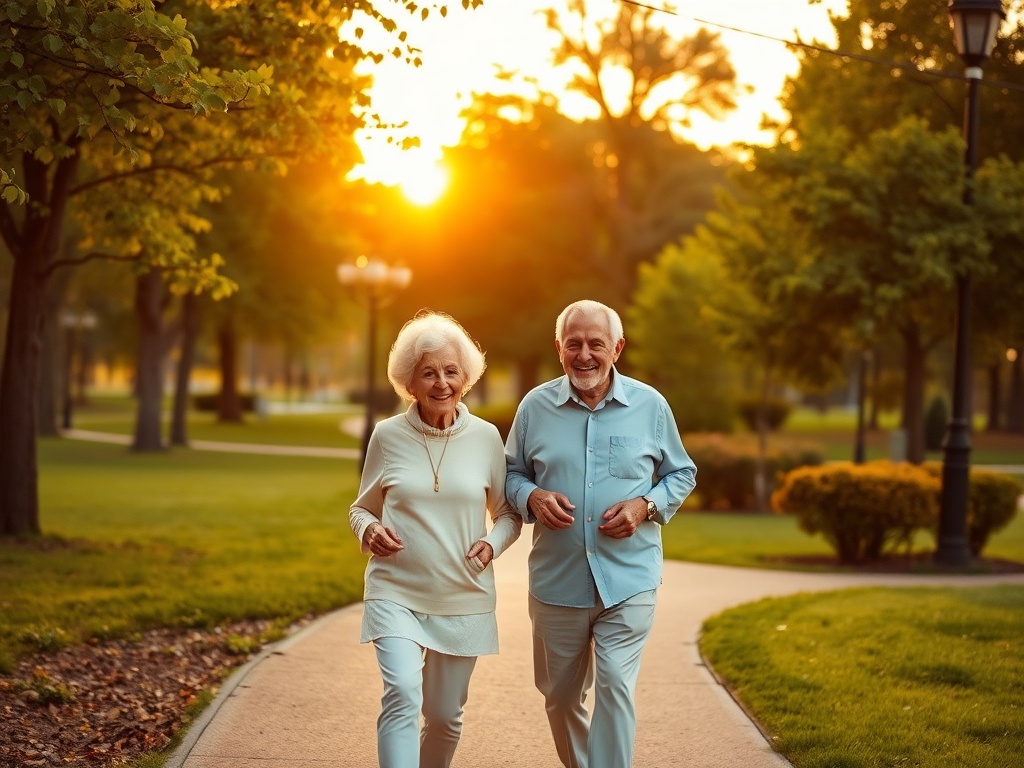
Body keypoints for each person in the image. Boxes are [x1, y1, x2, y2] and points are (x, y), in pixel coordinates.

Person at [504, 299, 697, 768]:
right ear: (559, 348)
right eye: (574, 344)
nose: (585, 354)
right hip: (558, 581)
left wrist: (646, 505)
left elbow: (682, 473)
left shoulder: (650, 406)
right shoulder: (535, 407)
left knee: (614, 684)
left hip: (628, 580)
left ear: (618, 348)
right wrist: (531, 496)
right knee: (561, 698)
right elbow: (509, 473)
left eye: (596, 344)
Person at [349, 310, 522, 768]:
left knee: (445, 718)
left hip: (462, 596)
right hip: (396, 591)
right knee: (402, 693)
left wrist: (493, 543)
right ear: (410, 383)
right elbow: (360, 507)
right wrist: (370, 528)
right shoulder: (387, 436)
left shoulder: (486, 438)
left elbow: (507, 514)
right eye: (428, 372)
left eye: (450, 371)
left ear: (465, 378)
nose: (441, 382)